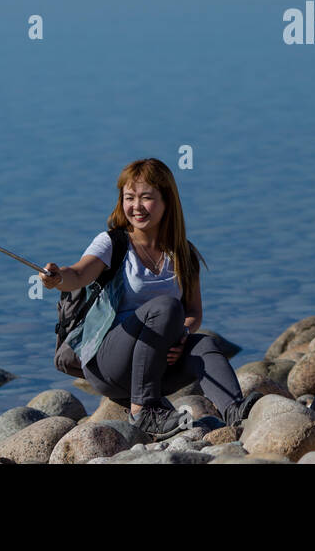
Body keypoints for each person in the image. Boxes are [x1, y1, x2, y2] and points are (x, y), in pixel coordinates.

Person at [39, 157, 261, 439]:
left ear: (167, 200)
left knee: (204, 343)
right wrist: (58, 278)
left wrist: (181, 336)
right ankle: (143, 410)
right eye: (129, 197)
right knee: (166, 307)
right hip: (107, 361)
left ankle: (235, 411)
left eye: (146, 198)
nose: (136, 206)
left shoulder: (183, 254)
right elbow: (79, 274)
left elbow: (193, 312)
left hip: (157, 366)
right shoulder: (112, 243)